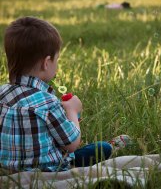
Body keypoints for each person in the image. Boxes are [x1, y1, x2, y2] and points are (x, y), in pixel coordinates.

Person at [0, 16, 113, 173]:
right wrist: (72, 111)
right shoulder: (47, 102)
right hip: (50, 171)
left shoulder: (1, 94)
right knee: (103, 148)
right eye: (57, 60)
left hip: (9, 171)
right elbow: (72, 143)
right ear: (46, 63)